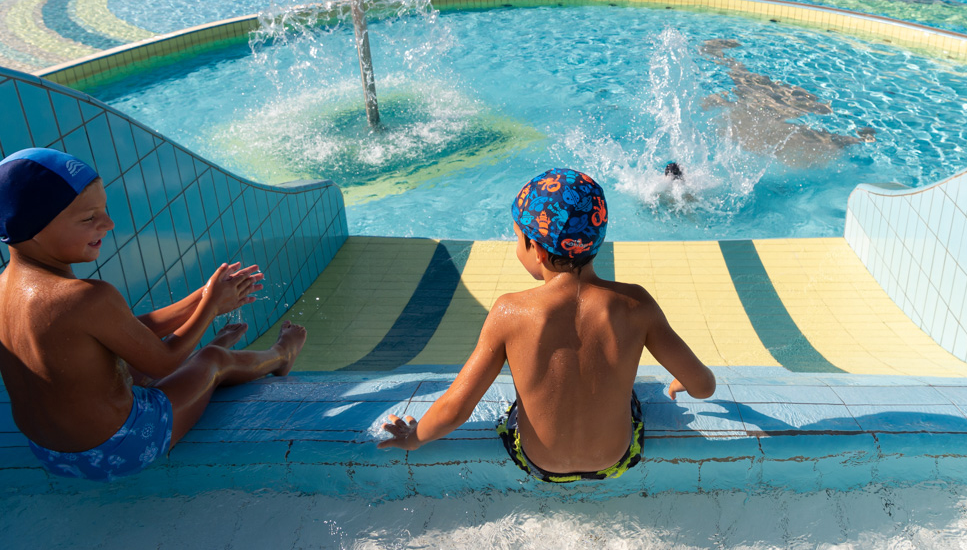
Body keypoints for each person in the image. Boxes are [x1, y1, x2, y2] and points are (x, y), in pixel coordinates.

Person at [377, 169, 716, 483]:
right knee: (630, 393)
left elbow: (456, 408)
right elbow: (703, 386)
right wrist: (682, 382)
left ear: (537, 250)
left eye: (518, 239)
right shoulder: (636, 304)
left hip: (539, 464)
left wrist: (414, 438)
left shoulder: (509, 311)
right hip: (616, 460)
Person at [0, 148, 307, 482]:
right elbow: (163, 363)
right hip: (116, 450)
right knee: (213, 361)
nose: (109, 224)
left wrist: (204, 295)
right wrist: (210, 308)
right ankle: (281, 355)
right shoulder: (85, 296)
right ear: (34, 228)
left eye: (104, 210)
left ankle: (211, 346)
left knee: (125, 363)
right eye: (89, 218)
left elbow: (122, 331)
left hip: (48, 452)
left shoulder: (7, 287)